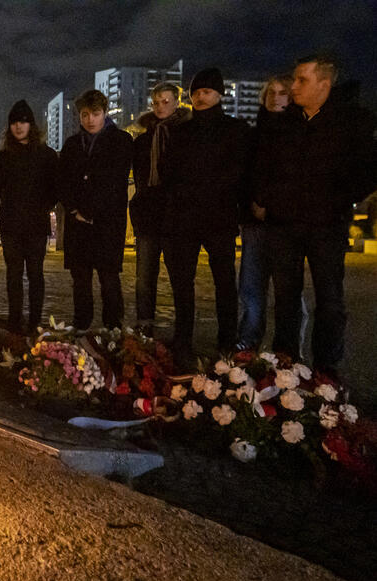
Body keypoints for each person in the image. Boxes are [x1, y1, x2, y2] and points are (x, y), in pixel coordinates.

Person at [253, 54, 376, 376]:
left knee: (330, 301)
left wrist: (339, 199)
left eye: (302, 80)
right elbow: (264, 163)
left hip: (327, 225)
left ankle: (325, 369)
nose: (294, 87)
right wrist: (266, 198)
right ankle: (286, 363)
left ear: (324, 84)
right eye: (294, 79)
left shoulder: (352, 121)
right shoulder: (284, 122)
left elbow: (367, 170)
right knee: (285, 299)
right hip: (284, 223)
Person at [160, 68, 250, 367]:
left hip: (219, 216)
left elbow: (239, 172)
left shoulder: (235, 130)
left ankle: (226, 340)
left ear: (219, 94)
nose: (200, 97)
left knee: (224, 280)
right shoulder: (181, 131)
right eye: (196, 92)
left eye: (207, 92)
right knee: (182, 282)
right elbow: (167, 170)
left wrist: (213, 190)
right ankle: (182, 337)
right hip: (184, 218)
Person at [237, 74, 308, 353]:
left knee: (287, 290)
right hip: (254, 221)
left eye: (282, 93)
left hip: (285, 222)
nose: (275, 98)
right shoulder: (254, 134)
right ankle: (249, 339)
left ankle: (287, 348)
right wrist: (252, 204)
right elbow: (245, 175)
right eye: (271, 93)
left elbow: (292, 178)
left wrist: (269, 202)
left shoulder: (298, 132)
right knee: (251, 286)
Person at [58, 89, 133, 330]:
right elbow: (64, 182)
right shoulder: (71, 144)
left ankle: (113, 328)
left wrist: (90, 210)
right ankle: (82, 325)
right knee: (80, 279)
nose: (90, 120)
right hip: (77, 223)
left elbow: (114, 181)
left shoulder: (121, 140)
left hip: (107, 223)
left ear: (105, 113)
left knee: (108, 277)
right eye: (85, 114)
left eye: (95, 114)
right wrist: (73, 209)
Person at [0, 100, 59, 334]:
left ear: (31, 124)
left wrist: (40, 206)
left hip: (36, 225)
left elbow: (55, 188)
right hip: (11, 224)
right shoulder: (3, 157)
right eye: (14, 122)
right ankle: (14, 320)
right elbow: (1, 187)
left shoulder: (47, 155)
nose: (18, 126)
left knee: (35, 274)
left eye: (23, 121)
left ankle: (35, 321)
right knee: (13, 275)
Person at [130, 82, 190, 337]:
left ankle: (183, 335)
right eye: (156, 102)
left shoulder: (186, 135)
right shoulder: (143, 140)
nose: (160, 107)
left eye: (166, 101)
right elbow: (140, 179)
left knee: (180, 279)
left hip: (176, 217)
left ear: (177, 102)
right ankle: (144, 331)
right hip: (148, 217)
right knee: (144, 279)